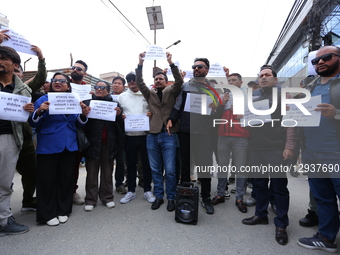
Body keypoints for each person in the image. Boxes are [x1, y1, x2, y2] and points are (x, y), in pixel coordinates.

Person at [241, 66, 296, 246]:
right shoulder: (254, 98)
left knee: (279, 186)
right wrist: (244, 118)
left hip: (276, 148)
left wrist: (289, 146)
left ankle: (281, 225)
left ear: (275, 79)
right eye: (261, 75)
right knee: (259, 183)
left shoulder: (284, 96)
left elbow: (291, 121)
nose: (263, 78)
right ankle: (261, 215)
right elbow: (249, 124)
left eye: (267, 75)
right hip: (256, 147)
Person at [29, 72, 90, 226]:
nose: (58, 83)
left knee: (66, 179)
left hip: (69, 144)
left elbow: (79, 123)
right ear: (50, 84)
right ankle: (47, 214)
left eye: (62, 81)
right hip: (48, 145)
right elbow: (33, 123)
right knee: (47, 180)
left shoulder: (74, 100)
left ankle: (63, 210)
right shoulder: (43, 100)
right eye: (55, 80)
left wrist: (83, 114)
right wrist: (39, 111)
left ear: (68, 85)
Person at [297, 45, 340, 253]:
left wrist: (337, 113)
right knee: (323, 199)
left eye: (327, 57)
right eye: (316, 61)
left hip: (336, 154)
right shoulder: (310, 87)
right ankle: (326, 238)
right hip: (312, 154)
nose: (320, 62)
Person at [167, 57, 219, 214]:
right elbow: (178, 106)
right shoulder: (186, 86)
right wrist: (171, 119)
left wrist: (216, 108)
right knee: (185, 165)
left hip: (204, 133)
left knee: (204, 166)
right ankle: (185, 196)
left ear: (206, 70)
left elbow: (218, 112)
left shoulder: (213, 89)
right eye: (194, 66)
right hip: (186, 132)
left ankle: (206, 198)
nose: (196, 69)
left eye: (200, 67)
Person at [137, 51, 183, 211]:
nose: (158, 81)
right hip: (152, 135)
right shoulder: (149, 93)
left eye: (161, 78)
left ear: (165, 81)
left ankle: (171, 198)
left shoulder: (171, 91)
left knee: (170, 170)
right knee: (155, 169)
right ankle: (159, 197)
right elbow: (139, 82)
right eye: (156, 79)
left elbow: (179, 81)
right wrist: (140, 64)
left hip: (169, 135)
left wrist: (171, 63)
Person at [0, 46, 33, 236]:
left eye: (3, 58)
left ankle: (4, 220)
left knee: (4, 182)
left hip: (8, 139)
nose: (0, 61)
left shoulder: (23, 89)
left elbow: (25, 117)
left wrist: (28, 111)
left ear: (14, 65)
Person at [13, 45, 47, 212]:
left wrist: (41, 58)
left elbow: (40, 78)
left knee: (31, 170)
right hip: (4, 136)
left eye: (17, 69)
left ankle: (28, 201)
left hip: (24, 138)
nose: (14, 71)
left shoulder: (24, 89)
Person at [212, 72, 249, 214]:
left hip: (241, 136)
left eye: (234, 80)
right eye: (229, 81)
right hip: (223, 135)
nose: (231, 83)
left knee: (240, 169)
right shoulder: (223, 96)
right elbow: (213, 114)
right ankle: (220, 193)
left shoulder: (247, 96)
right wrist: (221, 103)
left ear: (240, 82)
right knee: (222, 166)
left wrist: (243, 113)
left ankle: (239, 198)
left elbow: (256, 114)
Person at [82, 81, 122, 211]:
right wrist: (84, 114)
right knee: (92, 173)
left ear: (108, 90)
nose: (98, 89)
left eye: (102, 87)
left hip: (109, 143)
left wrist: (119, 115)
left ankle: (107, 197)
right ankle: (90, 199)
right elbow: (81, 124)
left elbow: (120, 126)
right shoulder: (87, 103)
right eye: (97, 87)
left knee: (107, 172)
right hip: (92, 143)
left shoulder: (114, 105)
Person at [118, 71, 156, 205]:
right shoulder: (122, 97)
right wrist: (120, 116)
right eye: (129, 80)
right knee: (131, 164)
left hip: (146, 135)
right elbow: (117, 113)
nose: (132, 82)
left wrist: (151, 114)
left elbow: (156, 110)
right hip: (129, 136)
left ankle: (147, 190)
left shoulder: (148, 94)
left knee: (146, 164)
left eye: (134, 79)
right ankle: (131, 190)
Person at [69, 60, 88, 205]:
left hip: (80, 130)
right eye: (73, 67)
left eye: (79, 69)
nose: (75, 70)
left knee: (74, 163)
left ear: (84, 73)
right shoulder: (61, 84)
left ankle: (72, 191)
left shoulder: (88, 90)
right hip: (61, 129)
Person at [110, 76, 127, 194]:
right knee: (107, 162)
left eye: (119, 83)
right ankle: (106, 185)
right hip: (108, 133)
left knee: (120, 161)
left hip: (122, 133)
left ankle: (119, 183)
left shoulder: (126, 99)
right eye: (114, 83)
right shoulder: (106, 97)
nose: (116, 85)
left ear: (123, 86)